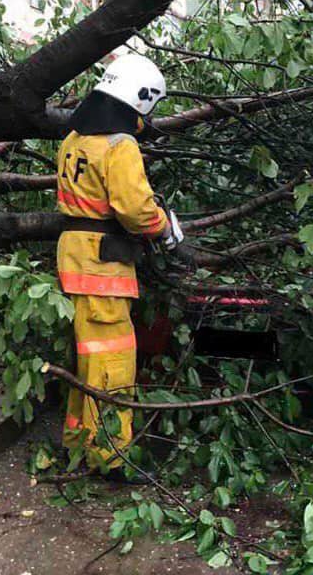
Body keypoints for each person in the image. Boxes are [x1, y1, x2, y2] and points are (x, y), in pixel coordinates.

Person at [55, 53, 183, 480]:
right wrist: (165, 229)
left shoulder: (74, 138)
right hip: (102, 267)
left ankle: (78, 444)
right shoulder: (119, 145)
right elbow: (134, 210)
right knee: (114, 365)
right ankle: (111, 458)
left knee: (87, 360)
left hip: (75, 255)